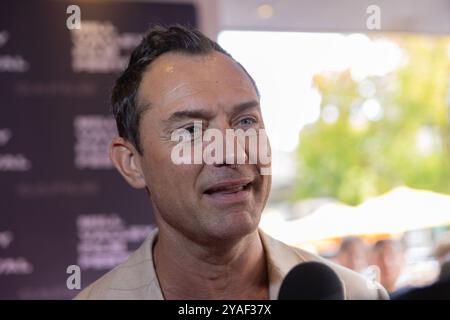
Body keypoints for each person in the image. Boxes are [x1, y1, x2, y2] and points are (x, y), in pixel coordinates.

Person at [75, 25, 388, 300]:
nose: (233, 151)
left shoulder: (358, 295)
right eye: (191, 131)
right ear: (131, 162)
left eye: (246, 122)